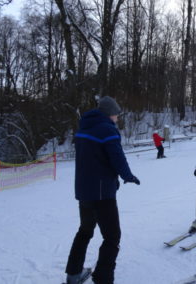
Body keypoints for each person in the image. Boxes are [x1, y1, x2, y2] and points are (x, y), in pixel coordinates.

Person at [65, 96, 140, 284]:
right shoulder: (107, 130)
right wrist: (128, 176)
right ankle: (103, 278)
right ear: (109, 114)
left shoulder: (84, 128)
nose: (117, 118)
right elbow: (117, 157)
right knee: (112, 236)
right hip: (102, 194)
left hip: (84, 192)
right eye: (116, 115)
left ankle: (73, 275)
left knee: (85, 231)